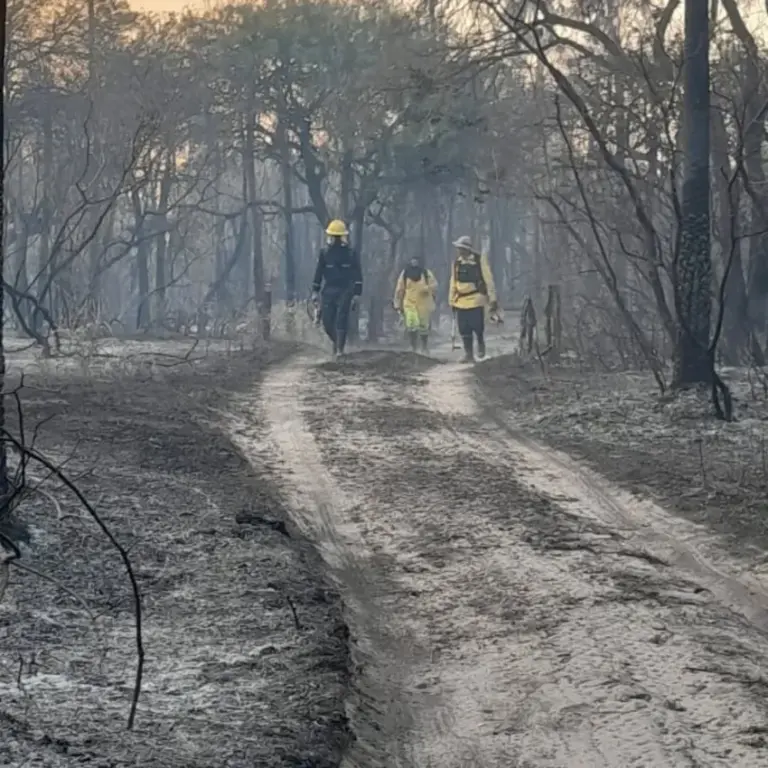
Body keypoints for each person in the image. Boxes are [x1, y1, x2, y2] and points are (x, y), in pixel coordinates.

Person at [311, 219, 363, 357]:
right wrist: (315, 291)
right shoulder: (324, 253)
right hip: (328, 290)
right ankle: (337, 342)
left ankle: (340, 349)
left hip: (345, 290)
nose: (335, 240)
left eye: (338, 237)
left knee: (341, 318)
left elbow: (358, 274)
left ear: (343, 237)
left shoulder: (351, 254)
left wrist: (357, 293)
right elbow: (318, 272)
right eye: (333, 237)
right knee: (327, 321)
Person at [448, 235, 498, 363]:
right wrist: (451, 299)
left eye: (462, 248)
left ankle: (481, 347)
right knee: (464, 328)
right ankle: (468, 353)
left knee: (477, 325)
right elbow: (453, 282)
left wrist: (492, 298)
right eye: (459, 248)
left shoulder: (479, 260)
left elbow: (488, 279)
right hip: (461, 300)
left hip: (477, 298)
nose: (460, 251)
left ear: (467, 249)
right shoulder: (457, 263)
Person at [393, 256, 438, 353]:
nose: (414, 263)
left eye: (416, 261)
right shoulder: (405, 273)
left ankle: (424, 347)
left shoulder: (426, 273)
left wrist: (427, 288)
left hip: (424, 303)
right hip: (409, 302)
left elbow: (434, 285)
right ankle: (413, 347)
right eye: (412, 261)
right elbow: (399, 288)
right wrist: (397, 303)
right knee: (411, 322)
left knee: (423, 325)